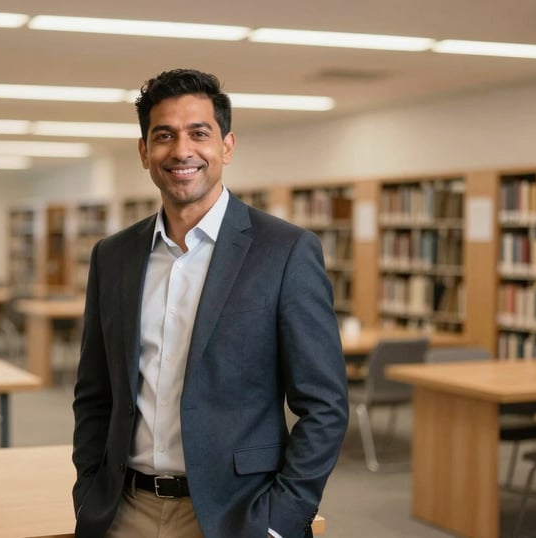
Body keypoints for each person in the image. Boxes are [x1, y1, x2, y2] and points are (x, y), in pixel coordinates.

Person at [72, 68, 348, 538]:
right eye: (164, 135)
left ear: (227, 146)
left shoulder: (284, 252)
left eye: (199, 133)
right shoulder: (112, 256)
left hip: (237, 516)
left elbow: (325, 406)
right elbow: (95, 394)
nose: (182, 150)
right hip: (124, 511)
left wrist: (280, 520)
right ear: (144, 152)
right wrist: (89, 491)